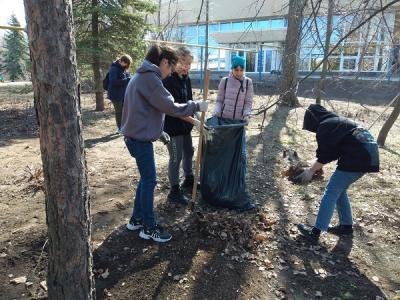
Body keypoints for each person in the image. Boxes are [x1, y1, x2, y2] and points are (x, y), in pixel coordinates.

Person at [120, 45, 208, 243]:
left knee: (145, 180)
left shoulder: (142, 75)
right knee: (150, 181)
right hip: (139, 141)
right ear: (164, 62)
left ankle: (136, 219)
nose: (169, 73)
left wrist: (158, 131)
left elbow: (143, 111)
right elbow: (169, 107)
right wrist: (196, 106)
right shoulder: (150, 78)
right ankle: (149, 228)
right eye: (171, 66)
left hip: (136, 137)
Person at [296, 104, 379, 243]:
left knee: (331, 191)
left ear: (313, 120)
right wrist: (315, 166)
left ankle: (315, 232)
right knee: (339, 190)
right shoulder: (338, 121)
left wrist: (310, 171)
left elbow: (326, 154)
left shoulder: (325, 126)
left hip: (358, 157)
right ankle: (346, 226)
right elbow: (333, 152)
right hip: (369, 157)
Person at [212, 55, 255, 211]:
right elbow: (219, 101)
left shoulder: (248, 83)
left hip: (238, 125)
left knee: (239, 158)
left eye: (241, 69)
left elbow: (248, 103)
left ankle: (235, 187)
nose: (238, 72)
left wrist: (246, 114)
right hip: (224, 124)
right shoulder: (224, 82)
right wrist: (215, 113)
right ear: (232, 68)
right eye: (236, 69)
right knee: (222, 156)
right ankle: (220, 186)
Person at [163, 46, 200, 205]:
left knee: (189, 151)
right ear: (174, 62)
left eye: (189, 64)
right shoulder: (168, 81)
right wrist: (196, 121)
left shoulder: (187, 79)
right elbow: (175, 110)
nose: (186, 67)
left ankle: (189, 179)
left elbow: (189, 104)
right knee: (176, 157)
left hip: (185, 127)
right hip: (173, 128)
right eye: (183, 62)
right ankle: (174, 191)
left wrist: (198, 116)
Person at [107, 54, 131, 132]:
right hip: (115, 95)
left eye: (127, 65)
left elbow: (126, 78)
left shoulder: (123, 68)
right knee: (119, 112)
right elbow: (113, 82)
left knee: (125, 111)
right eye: (125, 64)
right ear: (121, 61)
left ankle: (124, 126)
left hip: (123, 94)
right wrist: (126, 80)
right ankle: (120, 128)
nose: (126, 66)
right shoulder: (114, 68)